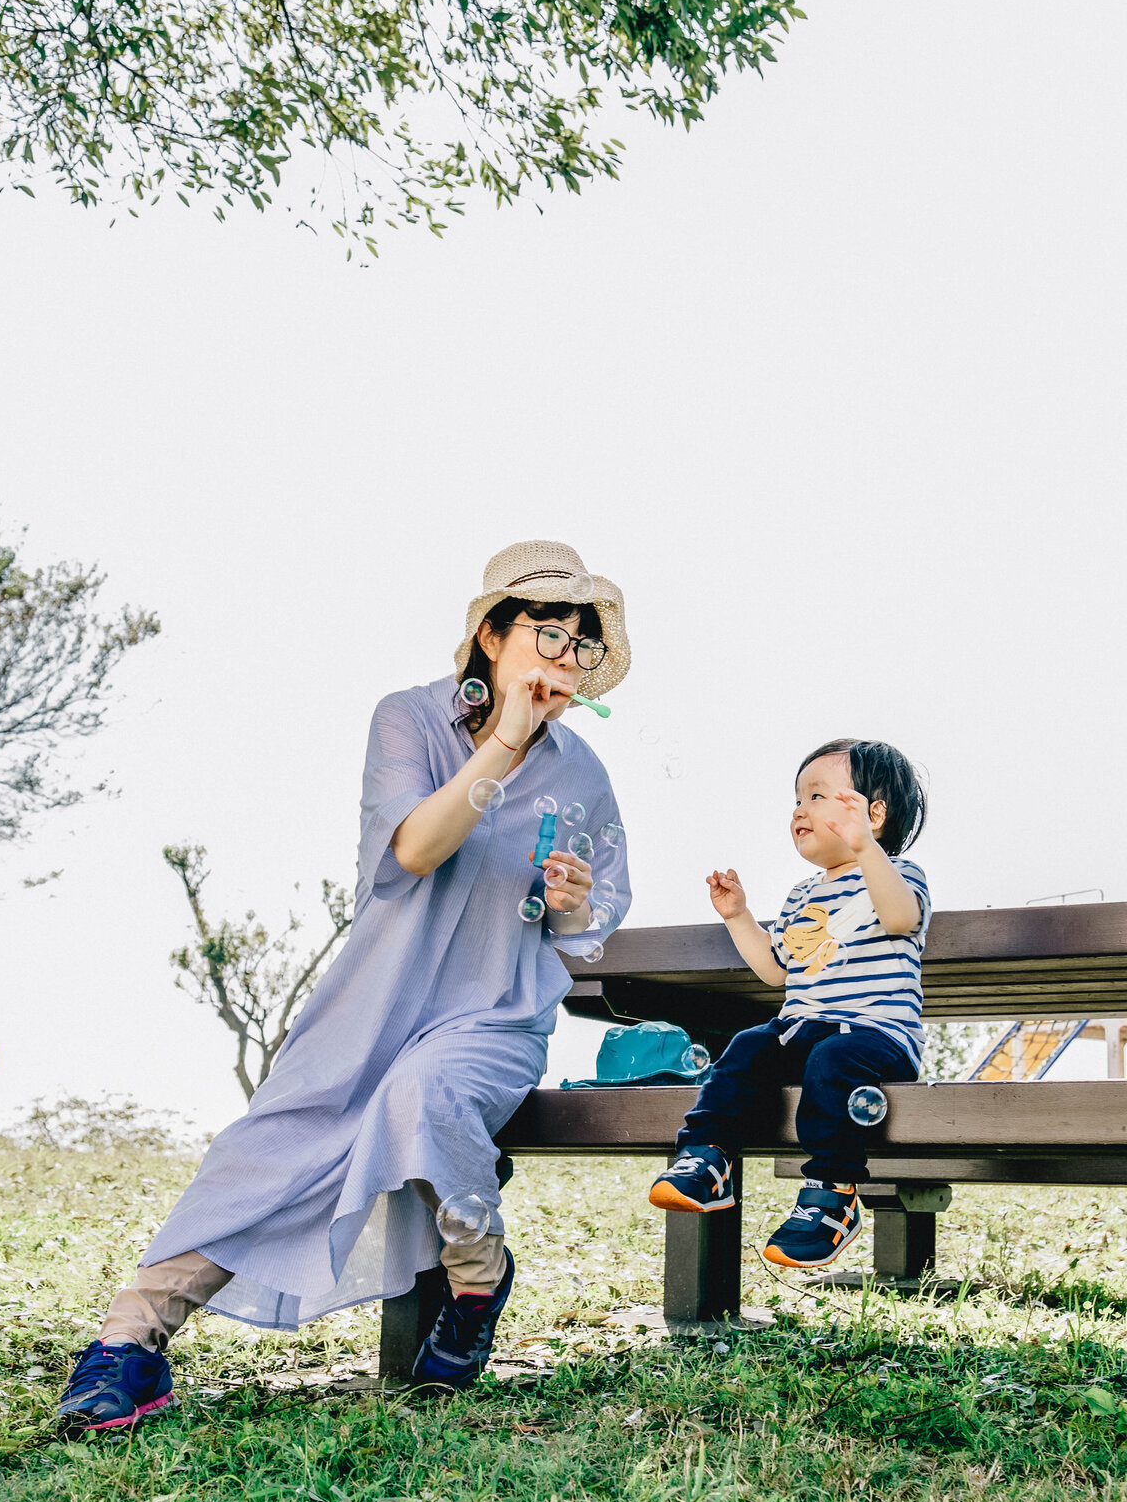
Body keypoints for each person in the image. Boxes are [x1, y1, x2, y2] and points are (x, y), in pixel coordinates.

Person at [58, 540, 632, 1431]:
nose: (565, 657)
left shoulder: (584, 776)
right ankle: (128, 1346)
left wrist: (569, 902)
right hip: (372, 1001)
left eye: (580, 646)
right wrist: (507, 742)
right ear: (490, 634)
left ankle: (477, 1282)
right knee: (267, 1148)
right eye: (547, 633)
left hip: (491, 1016)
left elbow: (586, 933)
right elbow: (410, 850)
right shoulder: (408, 721)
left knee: (423, 1091)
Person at [648, 738, 929, 1271]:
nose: (801, 809)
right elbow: (779, 970)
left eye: (820, 796)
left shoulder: (899, 874)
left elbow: (898, 919)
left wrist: (868, 850)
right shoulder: (801, 895)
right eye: (798, 798)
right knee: (750, 1045)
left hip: (876, 1037)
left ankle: (832, 1193)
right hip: (805, 1027)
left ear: (873, 814)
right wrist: (739, 917)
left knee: (832, 1060)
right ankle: (709, 1158)